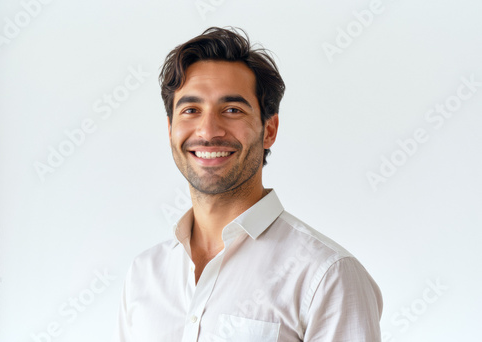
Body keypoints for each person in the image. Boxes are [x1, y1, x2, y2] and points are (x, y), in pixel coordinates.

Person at [114, 27, 383, 342]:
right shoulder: (144, 273)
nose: (208, 130)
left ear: (269, 130)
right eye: (190, 110)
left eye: (232, 110)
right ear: (171, 128)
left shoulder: (326, 275)